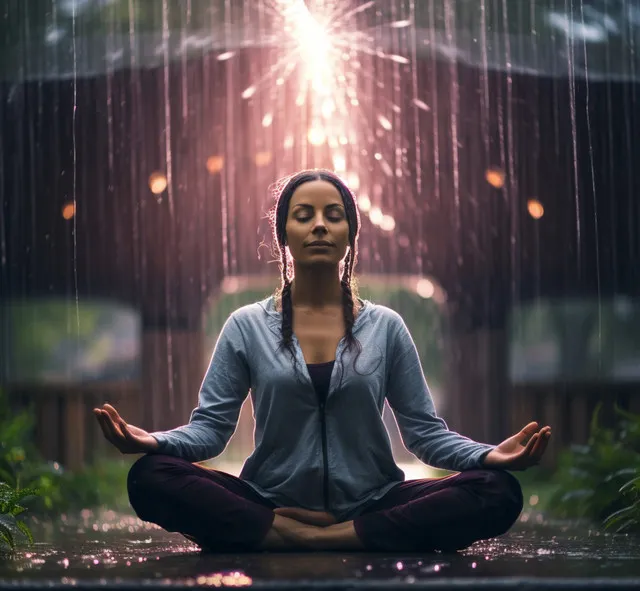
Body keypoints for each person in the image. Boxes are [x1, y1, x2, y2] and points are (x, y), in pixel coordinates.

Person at [93, 169, 552, 553]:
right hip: (266, 499)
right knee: (150, 477)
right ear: (284, 234)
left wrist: (487, 455)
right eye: (304, 215)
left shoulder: (386, 326)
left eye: (333, 216)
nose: (319, 226)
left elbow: (424, 434)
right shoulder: (245, 326)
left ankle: (314, 537)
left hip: (374, 501)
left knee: (497, 490)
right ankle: (302, 532)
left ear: (350, 233)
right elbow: (209, 431)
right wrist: (152, 441)